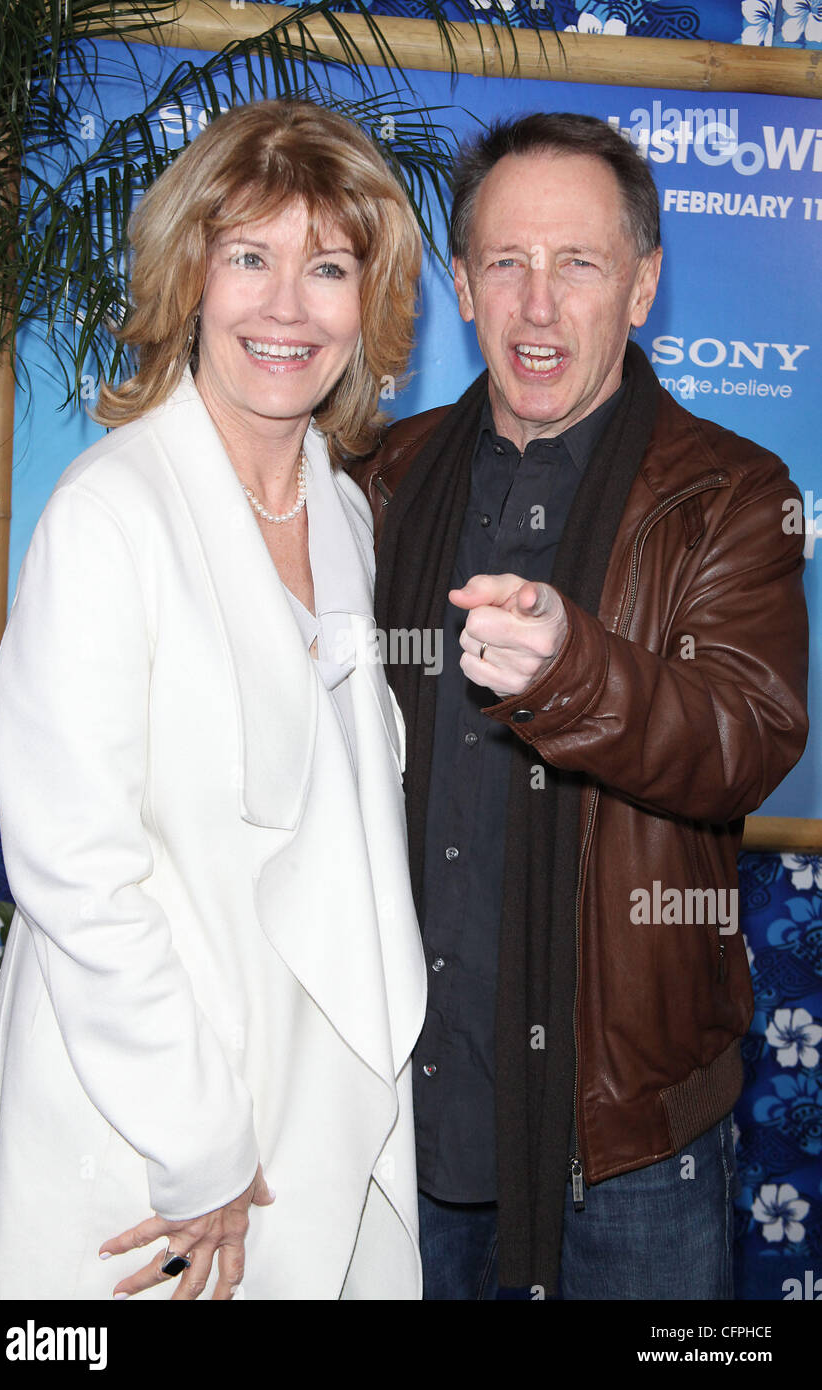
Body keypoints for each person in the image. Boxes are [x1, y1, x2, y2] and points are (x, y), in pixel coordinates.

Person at [0, 99, 426, 1301]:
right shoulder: (111, 511)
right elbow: (75, 864)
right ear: (188, 277)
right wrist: (200, 1136)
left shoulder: (342, 507)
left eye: (326, 268)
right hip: (154, 1130)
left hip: (315, 1100)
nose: (285, 307)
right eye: (248, 258)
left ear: (367, 308)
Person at [354, 112, 809, 1300]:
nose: (537, 305)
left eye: (578, 264)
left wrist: (572, 672)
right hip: (397, 1106)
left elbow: (741, 739)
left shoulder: (728, 492)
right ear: (459, 284)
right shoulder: (376, 481)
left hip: (623, 1139)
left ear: (644, 283)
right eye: (505, 263)